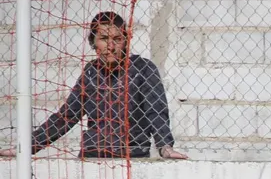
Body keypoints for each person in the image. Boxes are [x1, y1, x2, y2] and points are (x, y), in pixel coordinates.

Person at [0, 11, 187, 160]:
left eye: (117, 39)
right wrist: (28, 147)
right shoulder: (91, 72)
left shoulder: (143, 68)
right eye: (104, 39)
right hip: (92, 155)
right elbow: (66, 117)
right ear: (93, 42)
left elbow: (155, 110)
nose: (111, 46)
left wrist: (165, 146)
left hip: (132, 155)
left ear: (125, 41)